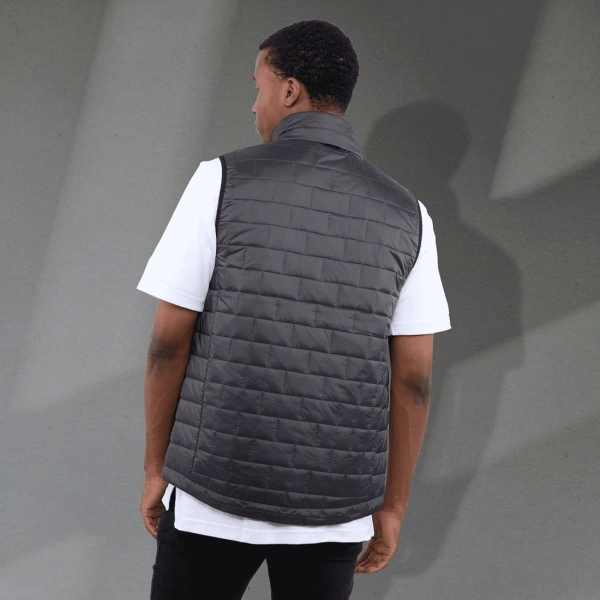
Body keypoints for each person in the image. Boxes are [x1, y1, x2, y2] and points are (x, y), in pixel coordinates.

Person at [137, 20, 450, 600]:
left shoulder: (219, 181)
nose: (254, 104)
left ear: (289, 91)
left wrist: (158, 469)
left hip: (211, 495)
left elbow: (166, 344)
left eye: (258, 86)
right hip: (336, 513)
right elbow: (414, 380)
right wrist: (393, 507)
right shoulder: (411, 216)